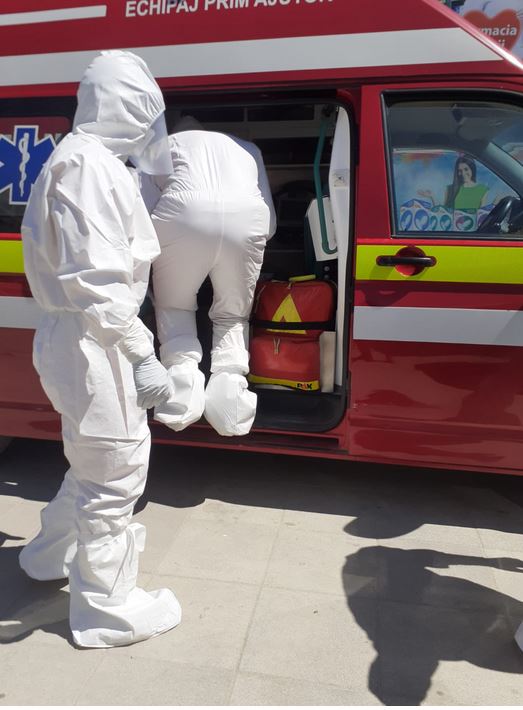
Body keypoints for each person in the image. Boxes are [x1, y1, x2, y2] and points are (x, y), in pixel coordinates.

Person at [19, 50, 182, 648]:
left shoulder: (86, 160)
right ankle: (107, 610)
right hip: (95, 341)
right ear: (129, 108)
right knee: (114, 472)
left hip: (87, 337)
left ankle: (46, 555)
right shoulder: (87, 167)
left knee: (92, 461)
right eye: (147, 112)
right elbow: (96, 282)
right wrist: (141, 353)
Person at [147, 117, 276, 436]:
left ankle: (180, 404)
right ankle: (231, 411)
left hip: (183, 218)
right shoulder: (248, 149)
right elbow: (270, 223)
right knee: (232, 316)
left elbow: (144, 211)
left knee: (175, 306)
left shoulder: (161, 147)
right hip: (247, 220)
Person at [418, 154, 489, 211]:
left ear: (472, 169)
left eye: (466, 169)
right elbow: (443, 212)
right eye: (460, 171)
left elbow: (482, 216)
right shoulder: (450, 189)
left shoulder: (483, 190)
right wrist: (432, 196)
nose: (463, 173)